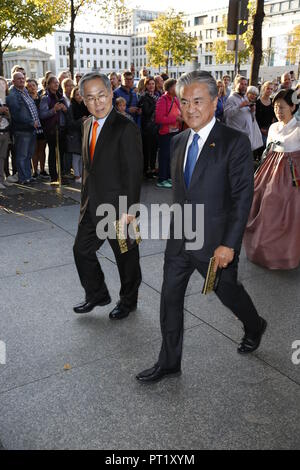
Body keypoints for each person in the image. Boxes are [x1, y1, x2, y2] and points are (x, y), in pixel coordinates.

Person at [136, 71, 267, 384]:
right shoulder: (179, 141)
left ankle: (254, 325)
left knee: (228, 293)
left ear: (214, 101)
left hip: (215, 243)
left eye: (198, 101)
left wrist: (230, 244)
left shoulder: (234, 142)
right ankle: (169, 362)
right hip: (180, 238)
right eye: (184, 101)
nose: (190, 108)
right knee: (169, 298)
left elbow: (241, 198)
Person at [73, 72, 143, 320]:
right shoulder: (86, 124)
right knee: (81, 251)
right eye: (90, 98)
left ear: (111, 94)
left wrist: (129, 211)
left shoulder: (126, 128)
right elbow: (89, 168)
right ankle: (97, 294)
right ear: (83, 99)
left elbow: (133, 173)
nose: (97, 102)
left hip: (119, 208)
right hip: (92, 205)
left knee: (126, 257)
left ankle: (129, 300)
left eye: (102, 95)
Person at [244, 89, 300, 270]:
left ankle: (283, 254)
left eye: (282, 107)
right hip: (269, 170)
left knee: (281, 206)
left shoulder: (298, 129)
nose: (278, 111)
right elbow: (268, 152)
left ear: (293, 106)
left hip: (291, 175)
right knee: (258, 198)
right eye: (276, 107)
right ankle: (261, 248)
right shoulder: (274, 127)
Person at [6, 72, 41, 184]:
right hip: (22, 130)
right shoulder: (12, 95)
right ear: (13, 81)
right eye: (18, 79)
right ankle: (23, 178)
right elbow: (16, 114)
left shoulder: (25, 92)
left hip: (31, 129)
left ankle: (28, 177)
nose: (21, 80)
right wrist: (31, 122)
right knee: (22, 155)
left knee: (28, 155)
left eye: (22, 78)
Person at [39, 76, 68, 183]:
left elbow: (68, 112)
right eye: (54, 83)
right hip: (51, 129)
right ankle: (54, 176)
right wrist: (53, 110)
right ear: (49, 84)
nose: (57, 84)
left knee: (61, 153)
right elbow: (42, 115)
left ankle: (61, 175)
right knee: (52, 153)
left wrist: (65, 109)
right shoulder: (45, 98)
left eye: (57, 83)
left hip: (62, 128)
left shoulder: (61, 96)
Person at [155, 78, 182, 188]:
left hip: (175, 132)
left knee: (171, 156)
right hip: (165, 133)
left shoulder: (175, 99)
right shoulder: (163, 100)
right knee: (164, 156)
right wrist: (176, 119)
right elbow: (159, 119)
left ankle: (169, 177)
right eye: (176, 86)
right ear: (170, 88)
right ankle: (162, 179)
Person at [224, 76, 263, 152]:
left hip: (246, 135)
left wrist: (252, 111)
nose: (244, 86)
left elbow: (250, 117)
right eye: (241, 84)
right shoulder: (231, 98)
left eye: (245, 84)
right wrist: (240, 106)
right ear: (236, 84)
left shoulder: (245, 97)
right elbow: (227, 114)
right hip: (236, 136)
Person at [25, 78, 49, 180]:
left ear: (36, 86)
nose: (32, 87)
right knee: (34, 150)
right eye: (29, 86)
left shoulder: (42, 98)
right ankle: (35, 171)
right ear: (26, 88)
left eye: (33, 85)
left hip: (42, 127)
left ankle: (43, 170)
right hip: (32, 128)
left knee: (42, 149)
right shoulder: (26, 100)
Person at [66, 86, 89, 183]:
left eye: (80, 94)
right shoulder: (71, 107)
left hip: (84, 133)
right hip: (75, 135)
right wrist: (81, 120)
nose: (79, 96)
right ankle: (77, 175)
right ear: (73, 96)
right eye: (76, 94)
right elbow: (70, 123)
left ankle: (81, 174)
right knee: (76, 156)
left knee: (82, 156)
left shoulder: (85, 106)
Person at [138, 76, 159, 179]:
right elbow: (146, 112)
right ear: (146, 86)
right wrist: (156, 104)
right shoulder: (144, 97)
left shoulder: (156, 96)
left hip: (155, 127)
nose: (151, 86)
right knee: (147, 150)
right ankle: (146, 170)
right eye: (149, 84)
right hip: (147, 127)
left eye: (153, 84)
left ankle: (153, 169)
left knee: (154, 149)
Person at [255, 81, 276, 148]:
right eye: (268, 88)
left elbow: (274, 116)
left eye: (271, 89)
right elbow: (255, 117)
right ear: (264, 89)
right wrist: (261, 129)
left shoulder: (273, 101)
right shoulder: (257, 102)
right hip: (259, 130)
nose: (269, 90)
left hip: (270, 130)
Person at [0, 77, 11, 189]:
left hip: (5, 130)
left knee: (3, 157)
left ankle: (2, 179)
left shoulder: (5, 100)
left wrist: (7, 114)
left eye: (4, 85)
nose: (2, 87)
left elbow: (9, 116)